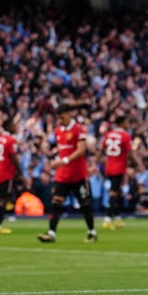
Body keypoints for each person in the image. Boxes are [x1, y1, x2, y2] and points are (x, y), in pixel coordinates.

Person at [38, 103, 97, 243]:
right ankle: (51, 233)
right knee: (56, 203)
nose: (61, 120)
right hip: (63, 175)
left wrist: (62, 161)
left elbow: (81, 150)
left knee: (84, 204)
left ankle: (92, 232)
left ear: (70, 114)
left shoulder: (79, 130)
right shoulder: (58, 131)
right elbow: (62, 151)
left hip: (78, 175)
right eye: (59, 118)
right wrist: (55, 162)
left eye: (62, 117)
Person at [0, 117, 27, 234]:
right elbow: (14, 158)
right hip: (6, 172)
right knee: (4, 199)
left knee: (2, 197)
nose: (16, 127)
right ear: (8, 127)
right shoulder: (10, 140)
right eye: (14, 125)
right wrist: (21, 174)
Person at [100, 114, 141, 229]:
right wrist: (139, 164)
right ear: (122, 123)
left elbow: (101, 149)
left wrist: (98, 160)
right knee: (114, 192)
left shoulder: (108, 134)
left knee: (117, 192)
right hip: (119, 167)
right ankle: (107, 219)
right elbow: (130, 152)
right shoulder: (125, 136)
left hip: (109, 166)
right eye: (127, 122)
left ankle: (117, 218)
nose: (128, 125)